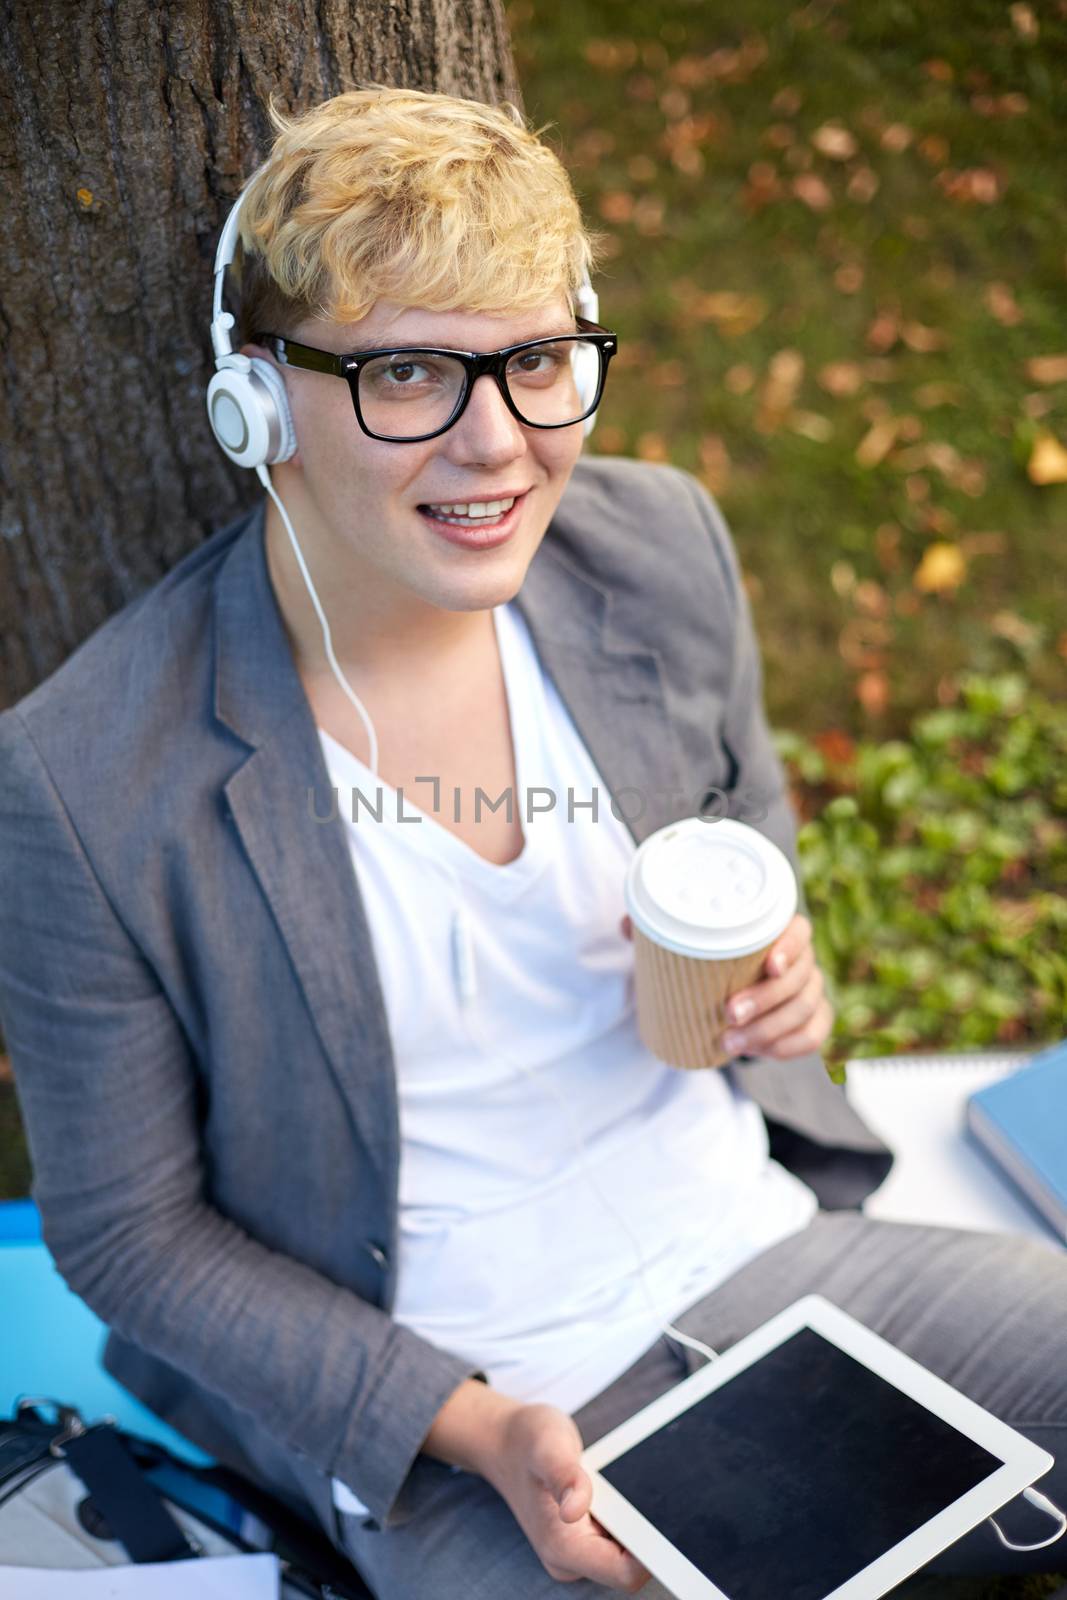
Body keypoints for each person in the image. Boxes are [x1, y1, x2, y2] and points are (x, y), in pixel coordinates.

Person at [0, 85, 1064, 1599]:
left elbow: (744, 843)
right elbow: (129, 1236)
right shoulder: (84, 777)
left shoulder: (660, 550)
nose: (496, 444)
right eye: (413, 373)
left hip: (772, 1270)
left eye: (538, 363)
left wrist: (780, 992)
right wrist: (479, 1429)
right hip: (449, 1411)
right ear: (254, 397)